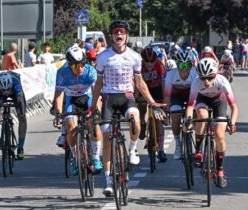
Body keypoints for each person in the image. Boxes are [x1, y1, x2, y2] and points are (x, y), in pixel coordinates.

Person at [88, 20, 166, 196]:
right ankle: (108, 181)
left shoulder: (135, 57)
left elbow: (140, 83)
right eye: (116, 32)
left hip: (127, 97)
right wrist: (93, 106)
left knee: (136, 121)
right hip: (109, 98)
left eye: (122, 32)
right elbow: (99, 83)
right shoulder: (103, 57)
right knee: (107, 138)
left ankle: (132, 150)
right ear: (112, 36)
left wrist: (152, 102)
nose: (119, 35)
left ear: (126, 36)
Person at [185, 58, 238, 188]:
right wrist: (189, 120)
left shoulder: (223, 81)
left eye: (210, 77)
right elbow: (191, 106)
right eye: (203, 78)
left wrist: (233, 123)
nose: (206, 81)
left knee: (220, 135)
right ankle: (198, 150)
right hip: (202, 100)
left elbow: (234, 107)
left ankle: (220, 170)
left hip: (219, 101)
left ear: (215, 74)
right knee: (202, 116)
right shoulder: (196, 83)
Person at [54, 45, 103, 175]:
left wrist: (96, 110)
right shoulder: (62, 73)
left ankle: (96, 158)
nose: (79, 68)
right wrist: (59, 113)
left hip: (88, 99)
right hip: (72, 100)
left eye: (81, 64)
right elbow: (59, 95)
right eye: (75, 66)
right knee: (71, 127)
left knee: (94, 125)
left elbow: (97, 94)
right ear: (69, 65)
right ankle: (75, 158)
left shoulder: (90, 71)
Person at [163, 50, 198, 160]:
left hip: (190, 94)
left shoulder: (194, 73)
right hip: (176, 95)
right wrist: (166, 109)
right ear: (177, 66)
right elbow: (167, 95)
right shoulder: (171, 74)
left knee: (197, 114)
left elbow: (198, 93)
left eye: (187, 65)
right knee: (175, 116)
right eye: (181, 65)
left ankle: (198, 143)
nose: (184, 68)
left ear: (191, 65)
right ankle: (178, 145)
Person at [137, 47, 167, 162]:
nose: (149, 64)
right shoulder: (139, 66)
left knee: (158, 120)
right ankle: (143, 123)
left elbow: (164, 84)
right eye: (146, 61)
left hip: (157, 89)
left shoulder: (159, 65)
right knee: (141, 106)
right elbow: (136, 84)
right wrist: (136, 98)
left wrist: (164, 100)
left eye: (152, 61)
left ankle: (161, 149)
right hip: (144, 90)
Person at [0, 71, 27, 160]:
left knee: (22, 117)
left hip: (15, 94)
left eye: (8, 89)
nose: (6, 92)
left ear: (11, 85)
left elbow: (20, 99)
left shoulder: (16, 83)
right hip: (0, 95)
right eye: (3, 90)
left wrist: (21, 111)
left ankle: (20, 148)